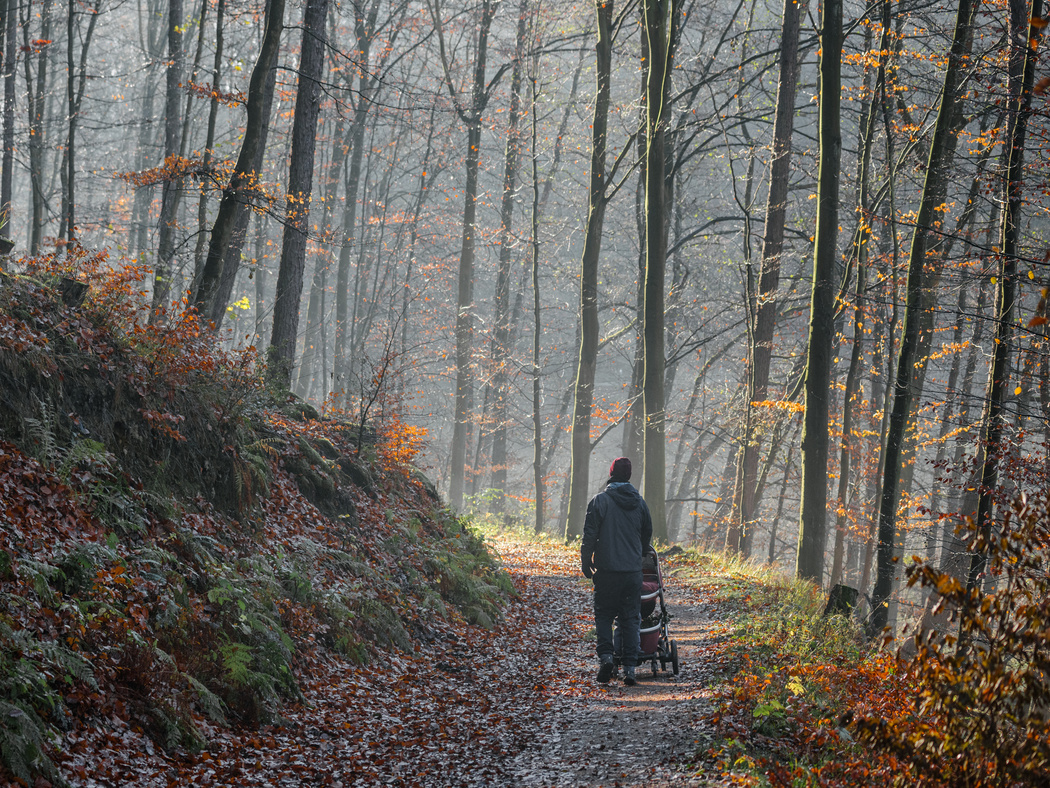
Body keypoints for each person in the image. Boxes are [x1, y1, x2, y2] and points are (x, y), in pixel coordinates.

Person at [580, 456, 653, 686]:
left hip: (607, 571)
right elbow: (646, 535)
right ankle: (630, 669)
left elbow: (589, 535)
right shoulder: (640, 503)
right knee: (630, 618)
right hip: (632, 572)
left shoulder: (600, 501)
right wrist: (638, 554)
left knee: (603, 615)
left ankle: (607, 657)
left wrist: (586, 561)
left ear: (611, 473)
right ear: (629, 476)